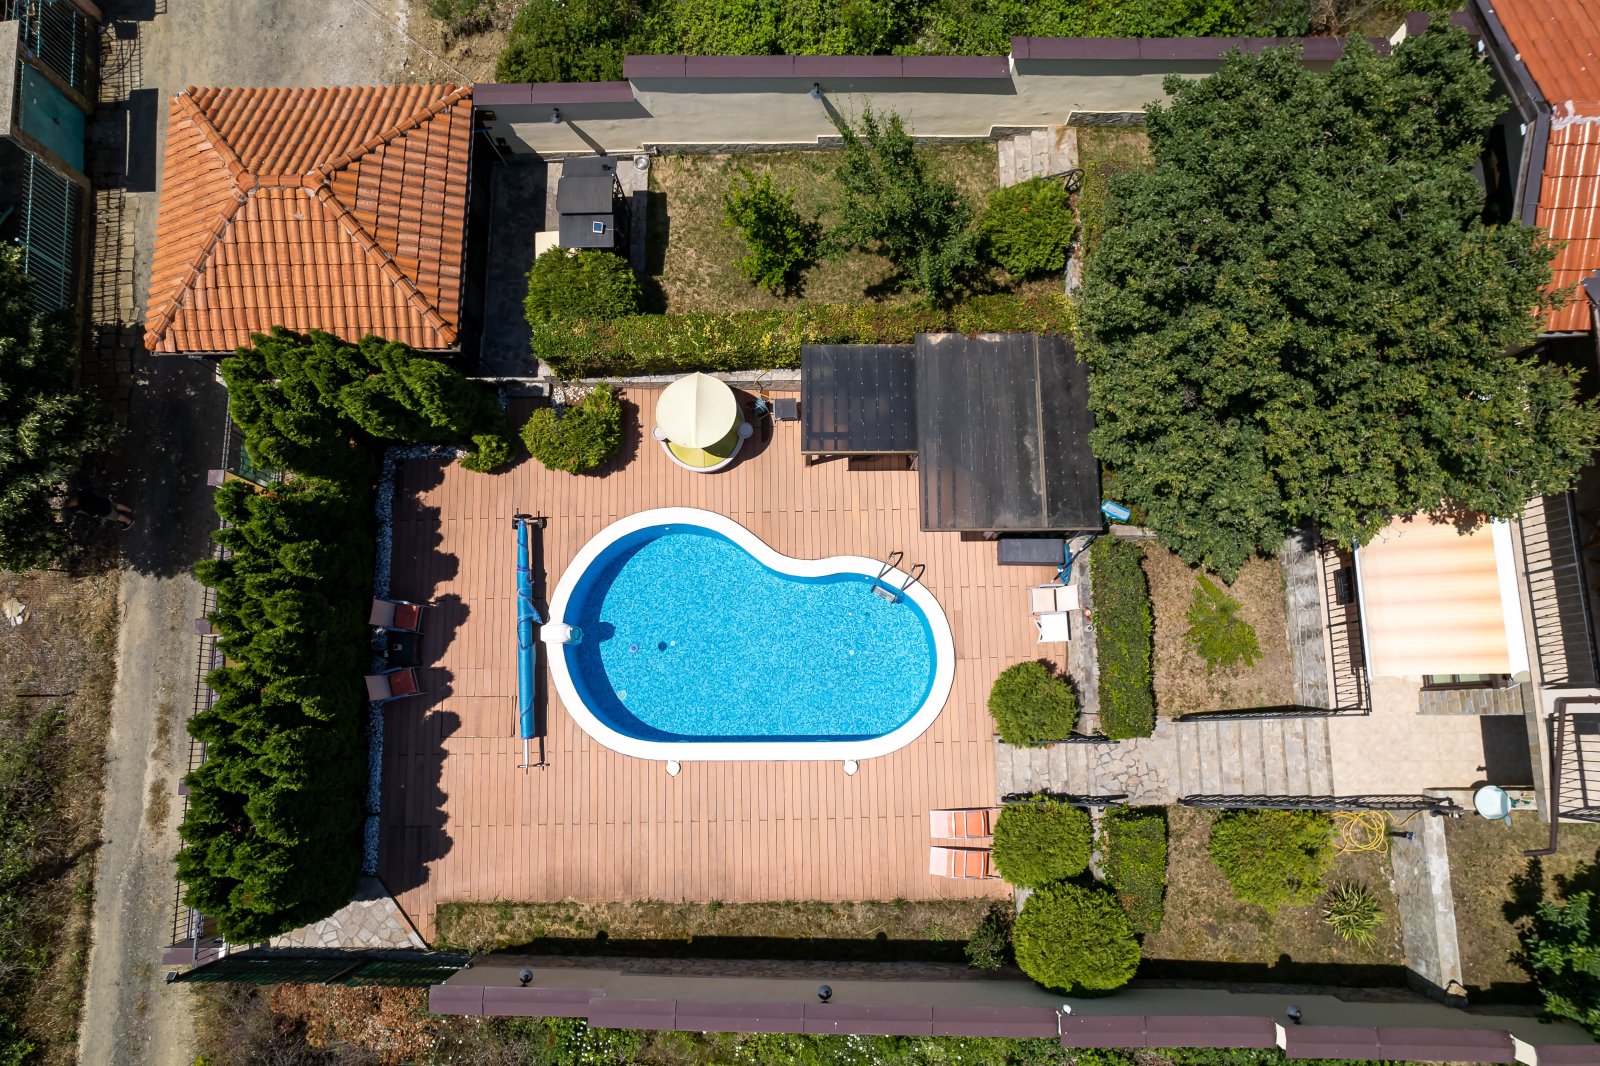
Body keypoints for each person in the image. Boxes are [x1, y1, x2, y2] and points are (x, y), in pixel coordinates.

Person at [65, 489, 134, 528]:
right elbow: (92, 493)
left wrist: (94, 515)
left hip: (104, 511)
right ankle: (131, 510)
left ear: (73, 504)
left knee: (117, 516)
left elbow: (93, 513)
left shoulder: (83, 507)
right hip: (103, 501)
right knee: (116, 505)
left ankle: (129, 521)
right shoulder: (81, 494)